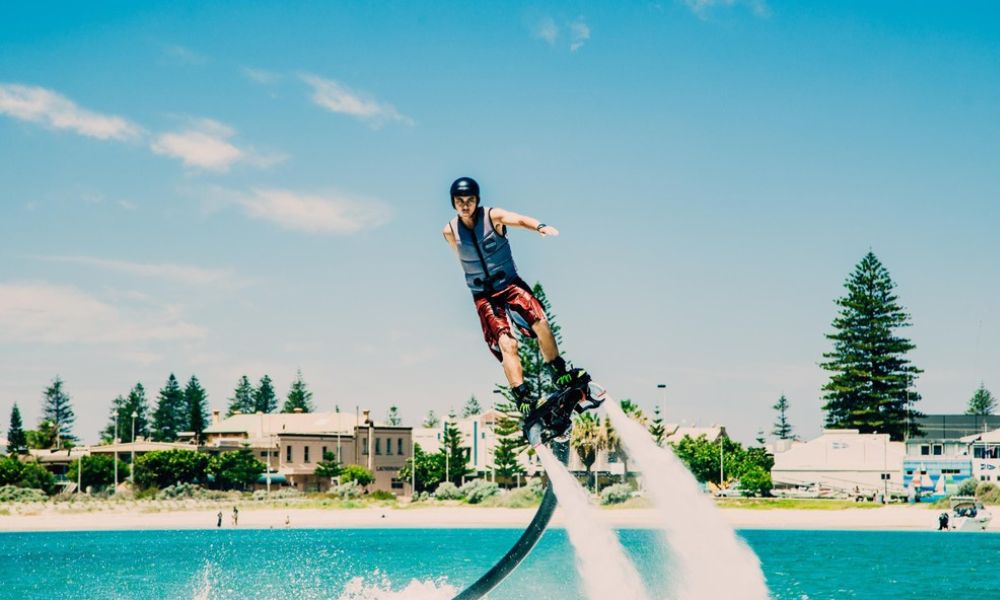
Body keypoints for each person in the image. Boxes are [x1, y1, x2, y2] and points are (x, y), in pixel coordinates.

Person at [442, 177, 587, 415]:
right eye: (460, 201)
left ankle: (559, 372)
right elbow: (463, 257)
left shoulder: (493, 217)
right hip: (484, 296)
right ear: (453, 203)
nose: (465, 205)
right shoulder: (450, 232)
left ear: (477, 200)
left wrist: (539, 226)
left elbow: (518, 219)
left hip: (509, 285)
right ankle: (522, 396)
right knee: (506, 342)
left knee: (540, 322)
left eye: (469, 200)